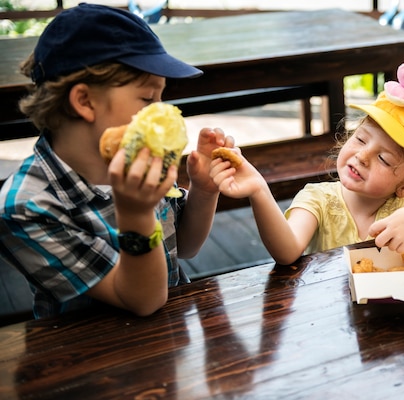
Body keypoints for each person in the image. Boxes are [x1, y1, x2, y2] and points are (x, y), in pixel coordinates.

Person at [0, 4, 233, 319]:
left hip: (171, 340)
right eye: (147, 98)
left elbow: (186, 246)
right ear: (84, 101)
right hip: (89, 355)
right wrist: (135, 214)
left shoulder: (140, 159)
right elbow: (142, 300)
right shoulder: (26, 207)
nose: (159, 111)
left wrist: (204, 190)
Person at [210, 65, 404, 265]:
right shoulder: (319, 199)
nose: (362, 156)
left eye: (384, 158)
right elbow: (286, 251)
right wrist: (259, 190)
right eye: (360, 139)